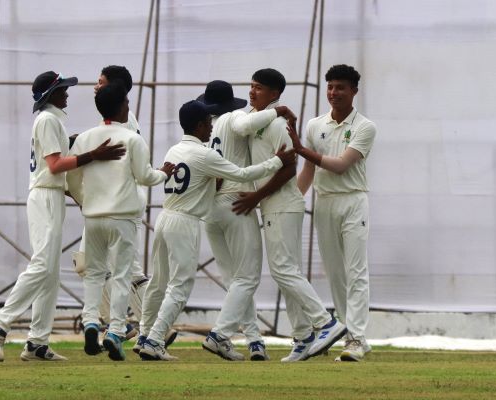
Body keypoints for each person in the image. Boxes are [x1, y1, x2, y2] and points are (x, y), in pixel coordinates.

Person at [0, 71, 126, 362]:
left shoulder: (54, 120)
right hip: (45, 195)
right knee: (42, 264)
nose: (68, 93)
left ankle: (37, 343)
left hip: (52, 195)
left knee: (50, 272)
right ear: (51, 94)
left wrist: (76, 148)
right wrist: (93, 155)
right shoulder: (47, 119)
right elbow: (56, 165)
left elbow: (59, 160)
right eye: (62, 89)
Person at [138, 100, 296, 361]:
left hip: (164, 218)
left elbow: (202, 179)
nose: (211, 129)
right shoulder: (204, 154)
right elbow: (243, 174)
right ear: (200, 125)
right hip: (185, 222)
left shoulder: (174, 150)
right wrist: (277, 161)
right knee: (179, 287)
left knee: (160, 281)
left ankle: (146, 335)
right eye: (208, 125)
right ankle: (154, 339)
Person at [232, 68, 347, 362]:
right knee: (287, 271)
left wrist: (257, 196)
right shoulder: (260, 119)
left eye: (258, 88)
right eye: (251, 86)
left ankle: (326, 323)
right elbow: (240, 127)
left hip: (283, 204)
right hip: (274, 205)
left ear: (274, 94)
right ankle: (303, 336)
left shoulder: (278, 124)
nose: (251, 92)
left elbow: (289, 169)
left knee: (284, 269)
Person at [66, 83, 175, 361]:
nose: (129, 106)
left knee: (94, 274)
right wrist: (163, 172)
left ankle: (90, 323)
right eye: (127, 102)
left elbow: (73, 179)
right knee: (122, 275)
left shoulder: (85, 138)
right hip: (123, 217)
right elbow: (144, 177)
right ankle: (114, 332)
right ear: (121, 106)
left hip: (93, 216)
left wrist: (85, 200)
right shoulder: (131, 139)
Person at [198, 80, 296, 361]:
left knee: (235, 281)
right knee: (247, 277)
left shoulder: (208, 127)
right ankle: (219, 334)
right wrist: (279, 111)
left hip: (210, 209)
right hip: (235, 201)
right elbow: (243, 127)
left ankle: (254, 340)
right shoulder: (233, 116)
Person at [288, 64, 376, 362]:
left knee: (356, 271)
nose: (333, 93)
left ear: (353, 91)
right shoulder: (315, 125)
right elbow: (309, 171)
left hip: (353, 201)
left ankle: (357, 339)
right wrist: (292, 202)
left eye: (340, 87)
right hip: (324, 202)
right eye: (330, 87)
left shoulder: (364, 126)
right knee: (336, 274)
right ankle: (346, 334)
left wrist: (301, 149)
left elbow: (340, 165)